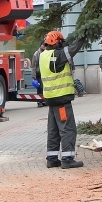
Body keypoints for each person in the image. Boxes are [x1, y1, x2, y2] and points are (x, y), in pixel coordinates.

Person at [39, 29, 84, 169]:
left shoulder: (43, 55)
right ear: (56, 43)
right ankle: (67, 159)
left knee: (53, 130)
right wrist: (83, 36)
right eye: (60, 42)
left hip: (51, 98)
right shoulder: (57, 55)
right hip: (61, 98)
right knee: (68, 129)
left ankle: (52, 158)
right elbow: (72, 49)